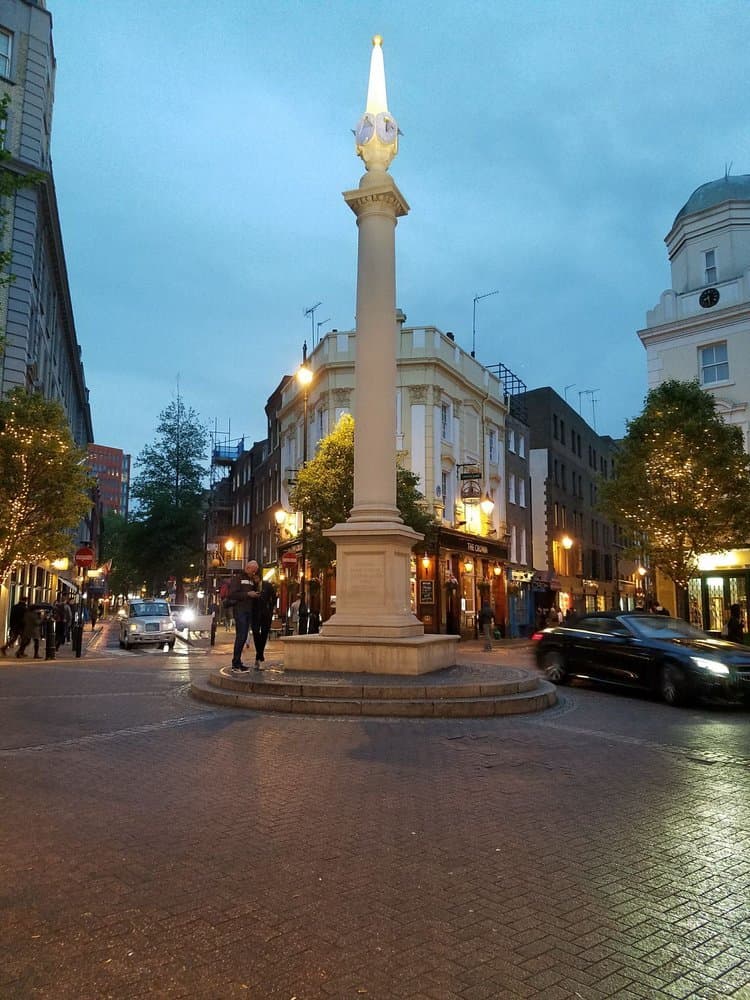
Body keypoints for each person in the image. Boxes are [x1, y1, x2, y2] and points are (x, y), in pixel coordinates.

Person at [227, 562, 260, 672]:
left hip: (248, 611)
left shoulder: (251, 580)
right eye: (253, 570)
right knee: (241, 636)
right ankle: (235, 663)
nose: (254, 572)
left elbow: (253, 591)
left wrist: (256, 585)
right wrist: (247, 594)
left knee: (243, 636)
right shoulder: (238, 578)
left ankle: (238, 662)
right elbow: (232, 594)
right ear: (247, 568)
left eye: (256, 571)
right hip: (240, 610)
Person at [249, 568, 276, 669]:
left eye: (256, 578)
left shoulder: (267, 585)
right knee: (256, 633)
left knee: (264, 634)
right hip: (255, 614)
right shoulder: (251, 586)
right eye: (254, 578)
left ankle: (259, 656)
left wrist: (271, 608)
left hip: (265, 613)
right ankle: (260, 655)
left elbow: (274, 597)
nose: (255, 580)